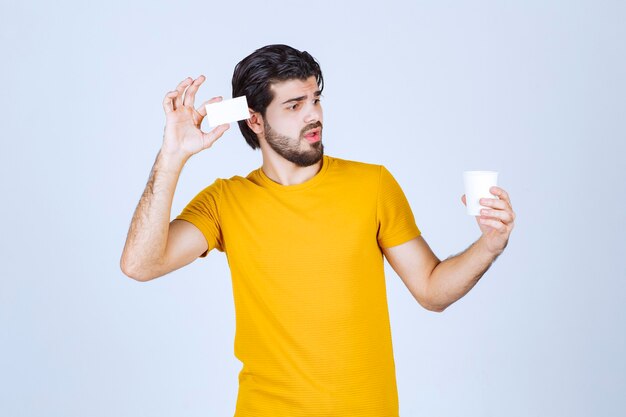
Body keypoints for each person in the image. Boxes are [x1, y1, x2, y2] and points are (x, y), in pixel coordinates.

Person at [120, 44, 516, 417]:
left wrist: (489, 245)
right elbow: (140, 264)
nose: (314, 115)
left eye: (315, 99)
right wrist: (171, 156)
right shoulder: (225, 201)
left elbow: (431, 290)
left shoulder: (372, 185)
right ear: (255, 120)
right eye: (294, 105)